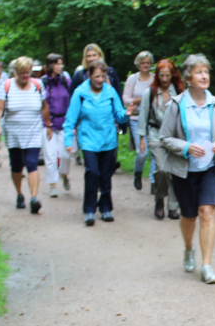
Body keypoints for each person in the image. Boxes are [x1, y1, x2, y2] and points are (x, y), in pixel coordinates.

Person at [159, 54, 215, 284]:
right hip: (184, 170)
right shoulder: (176, 105)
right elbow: (164, 137)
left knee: (207, 213)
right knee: (189, 216)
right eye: (199, 72)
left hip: (211, 168)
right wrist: (187, 147)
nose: (204, 76)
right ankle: (188, 248)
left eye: (206, 72)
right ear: (189, 77)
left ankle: (207, 265)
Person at [63, 60, 130, 226]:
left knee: (106, 175)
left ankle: (106, 207)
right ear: (89, 75)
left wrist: (127, 114)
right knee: (92, 173)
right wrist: (67, 140)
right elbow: (70, 119)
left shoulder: (110, 91)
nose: (100, 79)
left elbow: (119, 114)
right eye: (97, 76)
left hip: (108, 140)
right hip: (88, 140)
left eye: (103, 76)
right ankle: (90, 210)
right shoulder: (80, 93)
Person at [0, 56, 51, 214]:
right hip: (13, 133)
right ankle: (19, 194)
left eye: (27, 72)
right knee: (17, 166)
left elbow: (44, 107)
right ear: (15, 72)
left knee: (32, 163)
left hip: (33, 131)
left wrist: (48, 125)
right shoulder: (6, 85)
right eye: (21, 73)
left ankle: (33, 198)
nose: (25, 75)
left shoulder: (37, 85)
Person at [137, 58, 183, 220]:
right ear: (157, 76)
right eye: (161, 76)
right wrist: (142, 138)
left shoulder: (179, 91)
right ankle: (159, 200)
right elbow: (143, 115)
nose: (164, 79)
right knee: (162, 170)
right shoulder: (150, 92)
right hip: (156, 135)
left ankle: (172, 207)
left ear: (172, 75)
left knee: (174, 172)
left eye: (167, 75)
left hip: (175, 137)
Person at [122, 51, 154, 191]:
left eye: (147, 63)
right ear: (138, 64)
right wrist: (141, 100)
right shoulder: (132, 79)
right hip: (136, 118)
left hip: (153, 119)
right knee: (142, 152)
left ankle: (154, 182)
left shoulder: (155, 79)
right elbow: (125, 100)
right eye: (143, 63)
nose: (145, 65)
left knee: (154, 151)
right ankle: (138, 173)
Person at [41, 53, 72, 197]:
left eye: (61, 64)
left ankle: (64, 174)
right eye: (58, 64)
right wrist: (46, 123)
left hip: (65, 123)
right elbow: (40, 104)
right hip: (48, 124)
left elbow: (73, 102)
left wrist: (73, 123)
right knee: (51, 156)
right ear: (51, 65)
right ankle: (52, 185)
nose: (61, 66)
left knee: (66, 154)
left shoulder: (66, 81)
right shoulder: (43, 83)